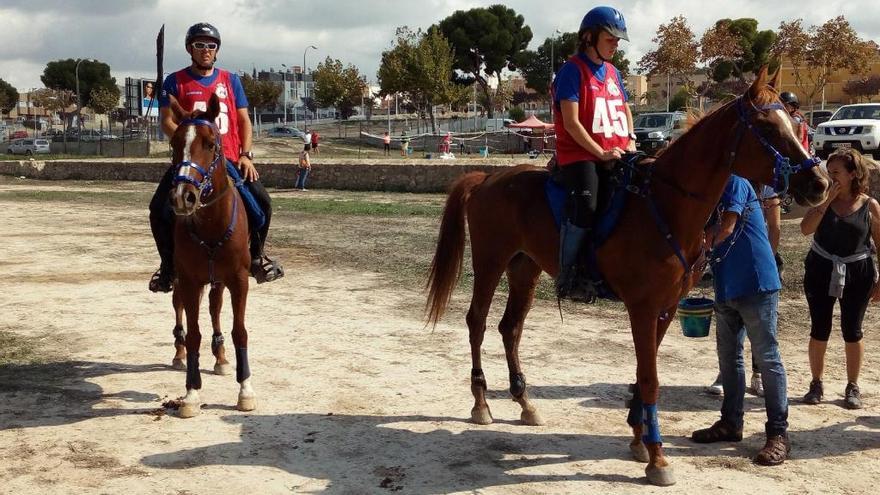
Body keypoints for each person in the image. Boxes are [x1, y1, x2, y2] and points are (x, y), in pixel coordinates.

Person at [148, 22, 284, 292]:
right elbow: (166, 121)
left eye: (211, 45)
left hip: (228, 159)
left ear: (217, 51)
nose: (206, 50)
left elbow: (243, 121)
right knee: (158, 210)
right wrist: (188, 144)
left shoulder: (231, 80)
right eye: (200, 45)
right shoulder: (174, 81)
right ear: (190, 49)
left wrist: (246, 155)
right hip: (191, 162)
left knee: (262, 204)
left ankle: (257, 256)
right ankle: (167, 267)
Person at [692, 175, 790, 466]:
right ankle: (731, 423)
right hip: (727, 284)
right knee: (729, 357)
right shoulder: (707, 186)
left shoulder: (734, 181)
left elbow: (727, 226)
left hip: (756, 281)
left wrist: (699, 252)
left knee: (767, 357)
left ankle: (779, 434)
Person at [551, 6, 636, 302]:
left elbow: (624, 108)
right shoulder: (571, 72)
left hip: (616, 151)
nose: (615, 45)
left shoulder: (614, 72)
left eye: (617, 40)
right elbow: (572, 123)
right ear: (589, 37)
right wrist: (600, 153)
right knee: (587, 204)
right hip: (580, 156)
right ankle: (569, 273)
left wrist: (631, 138)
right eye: (611, 38)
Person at [799, 149, 880, 409]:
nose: (830, 177)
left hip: (858, 272)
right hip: (820, 269)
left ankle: (852, 385)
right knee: (819, 328)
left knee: (852, 330)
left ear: (853, 174)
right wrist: (825, 203)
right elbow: (804, 230)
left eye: (836, 172)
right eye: (828, 171)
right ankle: (816, 382)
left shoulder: (870, 205)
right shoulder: (822, 199)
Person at [705, 183, 781, 397]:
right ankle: (726, 378)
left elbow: (774, 228)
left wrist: (768, 260)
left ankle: (758, 375)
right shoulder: (722, 183)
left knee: (764, 341)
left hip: (756, 266)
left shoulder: (764, 189)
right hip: (727, 267)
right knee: (732, 345)